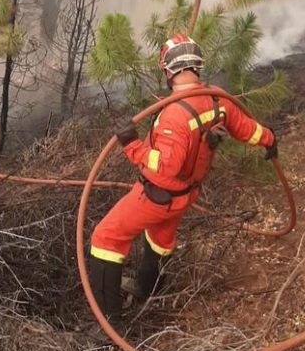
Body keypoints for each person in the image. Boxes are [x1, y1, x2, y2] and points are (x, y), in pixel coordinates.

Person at [88, 34, 278, 333]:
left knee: (106, 238)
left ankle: (109, 325)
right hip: (184, 196)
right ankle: (148, 291)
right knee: (161, 239)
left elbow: (165, 167)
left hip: (156, 197)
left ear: (168, 70)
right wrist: (269, 139)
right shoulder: (217, 100)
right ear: (197, 66)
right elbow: (247, 129)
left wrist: (131, 144)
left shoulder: (173, 116)